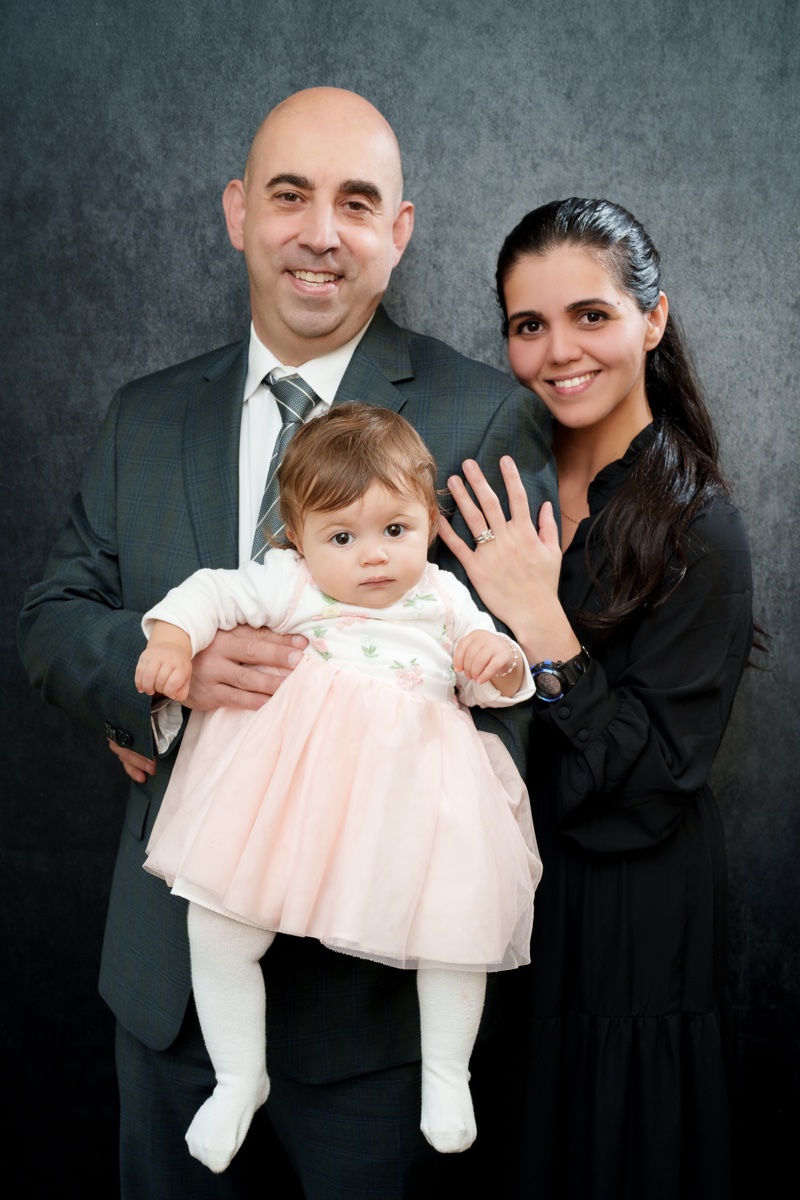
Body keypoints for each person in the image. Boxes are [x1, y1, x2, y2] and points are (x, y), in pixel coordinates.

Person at [16, 88, 557, 1199]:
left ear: (397, 232)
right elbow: (53, 614)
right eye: (288, 195)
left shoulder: (479, 415)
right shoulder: (143, 416)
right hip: (176, 988)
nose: (320, 231)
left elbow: (519, 674)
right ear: (236, 213)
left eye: (356, 202)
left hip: (377, 1015)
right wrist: (160, 690)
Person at [439, 198, 754, 1200]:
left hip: (629, 911)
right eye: (528, 326)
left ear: (650, 322)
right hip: (496, 896)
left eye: (590, 316)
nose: (557, 351)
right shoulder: (494, 482)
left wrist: (543, 622)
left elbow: (653, 781)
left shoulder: (698, 527)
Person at [135, 403, 542, 1173]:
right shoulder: (290, 584)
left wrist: (501, 660)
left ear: (428, 518)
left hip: (419, 801)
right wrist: (170, 637)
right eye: (342, 537)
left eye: (396, 530)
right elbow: (211, 592)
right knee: (219, 928)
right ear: (297, 540)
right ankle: (236, 1077)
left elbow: (491, 680)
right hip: (294, 801)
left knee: (458, 931)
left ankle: (446, 1075)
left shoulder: (442, 597)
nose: (375, 558)